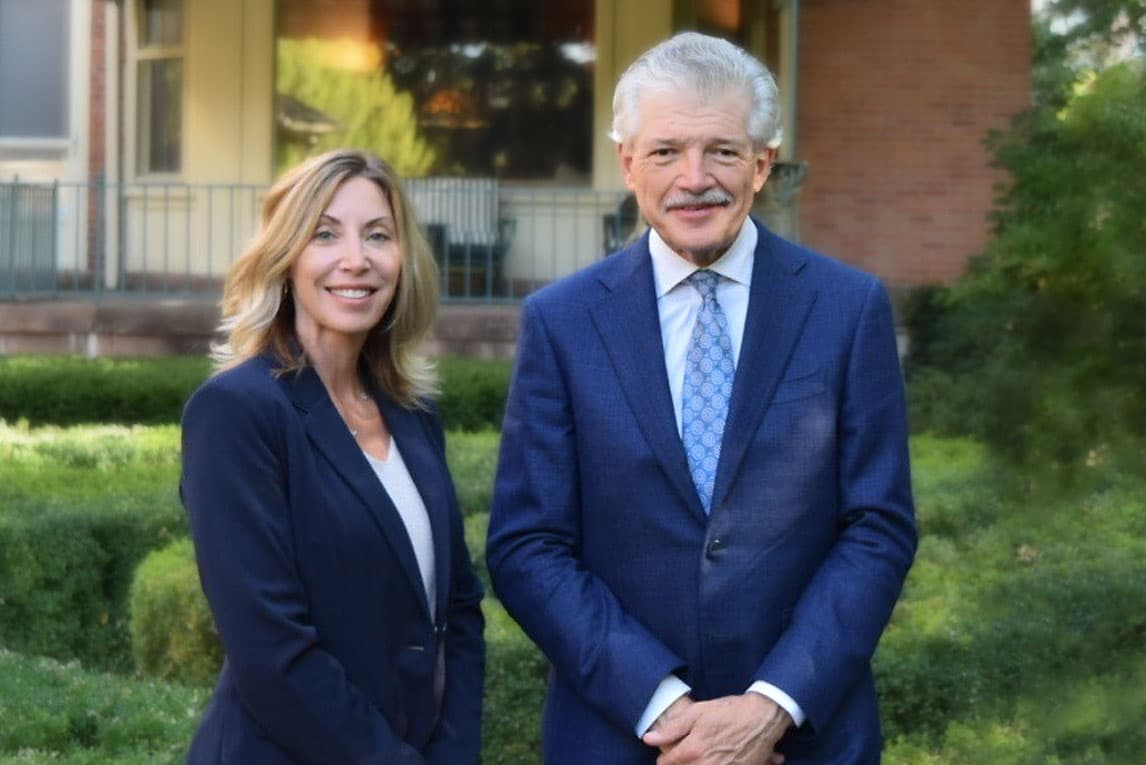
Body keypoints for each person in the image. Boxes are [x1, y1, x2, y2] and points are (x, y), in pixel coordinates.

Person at [486, 32, 916, 764]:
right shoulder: (560, 322)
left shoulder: (849, 309)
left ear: (762, 162)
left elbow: (877, 526)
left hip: (802, 741)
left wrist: (769, 706)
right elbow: (529, 544)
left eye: (721, 149)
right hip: (623, 738)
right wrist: (668, 708)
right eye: (665, 151)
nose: (695, 177)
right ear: (628, 163)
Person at [181, 149, 484, 764]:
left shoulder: (412, 413)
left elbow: (459, 611)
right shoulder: (236, 412)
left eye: (378, 235)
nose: (357, 259)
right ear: (286, 257)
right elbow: (272, 653)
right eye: (325, 234)